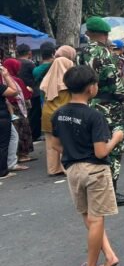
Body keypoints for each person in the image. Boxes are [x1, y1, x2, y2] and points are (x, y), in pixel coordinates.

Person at [49, 65, 123, 266]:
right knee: (97, 218)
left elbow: (55, 144)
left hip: (73, 170)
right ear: (91, 88)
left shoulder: (59, 114)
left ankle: (109, 256)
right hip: (95, 170)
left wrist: (73, 152)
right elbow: (101, 151)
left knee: (88, 216)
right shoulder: (94, 115)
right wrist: (116, 138)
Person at [78, 17, 124, 206]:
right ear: (105, 34)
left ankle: (96, 191)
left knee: (94, 148)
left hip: (88, 104)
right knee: (113, 148)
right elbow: (115, 84)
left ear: (89, 34)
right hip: (108, 106)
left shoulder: (81, 53)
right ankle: (111, 193)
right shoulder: (104, 52)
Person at [39, 46, 75, 176]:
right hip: (64, 115)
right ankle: (66, 167)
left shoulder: (48, 79)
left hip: (47, 114)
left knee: (50, 143)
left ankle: (53, 169)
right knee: (66, 141)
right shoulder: (70, 82)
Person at [4, 58, 35, 163]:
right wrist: (30, 90)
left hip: (7, 109)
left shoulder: (2, 80)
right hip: (18, 108)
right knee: (22, 131)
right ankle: (22, 155)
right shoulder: (15, 80)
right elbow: (25, 95)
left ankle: (12, 156)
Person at [16, 44, 42, 141]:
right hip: (33, 92)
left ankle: (26, 135)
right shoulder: (29, 63)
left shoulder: (16, 62)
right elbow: (37, 75)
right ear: (29, 53)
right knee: (35, 115)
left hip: (20, 93)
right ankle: (35, 135)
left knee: (25, 115)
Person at [0, 65, 18, 179]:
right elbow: (14, 91)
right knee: (3, 144)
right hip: (2, 117)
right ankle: (2, 171)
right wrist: (6, 76)